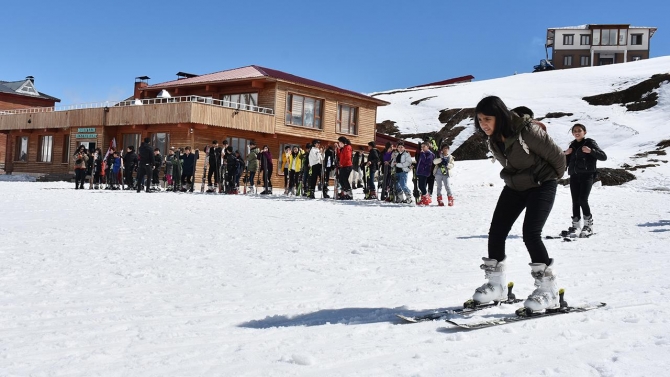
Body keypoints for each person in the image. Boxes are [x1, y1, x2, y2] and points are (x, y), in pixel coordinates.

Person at [471, 95, 566, 314]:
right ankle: (496, 286)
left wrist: (546, 179)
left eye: (487, 118)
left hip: (542, 184)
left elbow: (558, 158)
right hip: (515, 185)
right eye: (480, 120)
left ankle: (548, 291)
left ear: (500, 116)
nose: (483, 124)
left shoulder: (528, 131)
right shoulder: (493, 139)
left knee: (531, 233)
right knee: (496, 232)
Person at [564, 123, 607, 237]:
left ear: (584, 132)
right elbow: (565, 163)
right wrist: (564, 154)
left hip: (587, 175)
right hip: (574, 176)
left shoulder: (590, 143)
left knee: (583, 199)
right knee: (575, 201)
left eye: (579, 130)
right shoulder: (572, 145)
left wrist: (591, 151)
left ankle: (588, 225)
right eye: (574, 131)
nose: (577, 132)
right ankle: (576, 226)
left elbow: (603, 156)